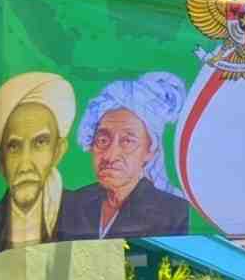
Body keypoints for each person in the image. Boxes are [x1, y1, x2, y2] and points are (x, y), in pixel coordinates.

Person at [57, 73, 190, 242]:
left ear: (150, 151)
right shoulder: (70, 203)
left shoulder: (174, 213)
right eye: (103, 140)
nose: (110, 155)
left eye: (127, 141)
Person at [0, 72, 74, 254]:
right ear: (0, 162)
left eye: (40, 143)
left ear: (58, 151)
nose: (25, 166)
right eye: (13, 147)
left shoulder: (85, 216)